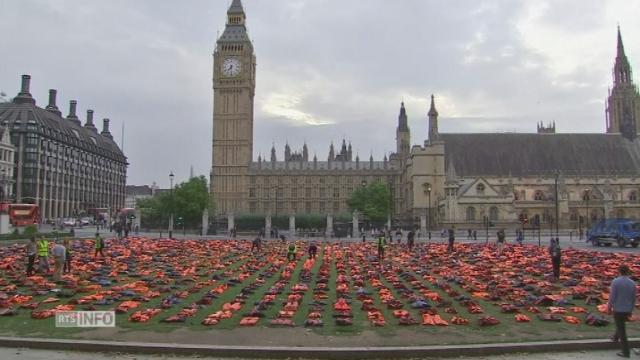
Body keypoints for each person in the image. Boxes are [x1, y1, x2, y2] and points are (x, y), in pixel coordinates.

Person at [608, 264, 636, 358]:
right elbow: (633, 298)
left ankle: (626, 352)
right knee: (620, 325)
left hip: (618, 309)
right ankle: (615, 337)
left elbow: (612, 297)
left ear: (618, 271)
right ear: (628, 271)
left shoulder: (616, 282)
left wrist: (609, 307)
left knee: (621, 329)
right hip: (627, 309)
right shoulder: (632, 283)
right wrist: (631, 310)